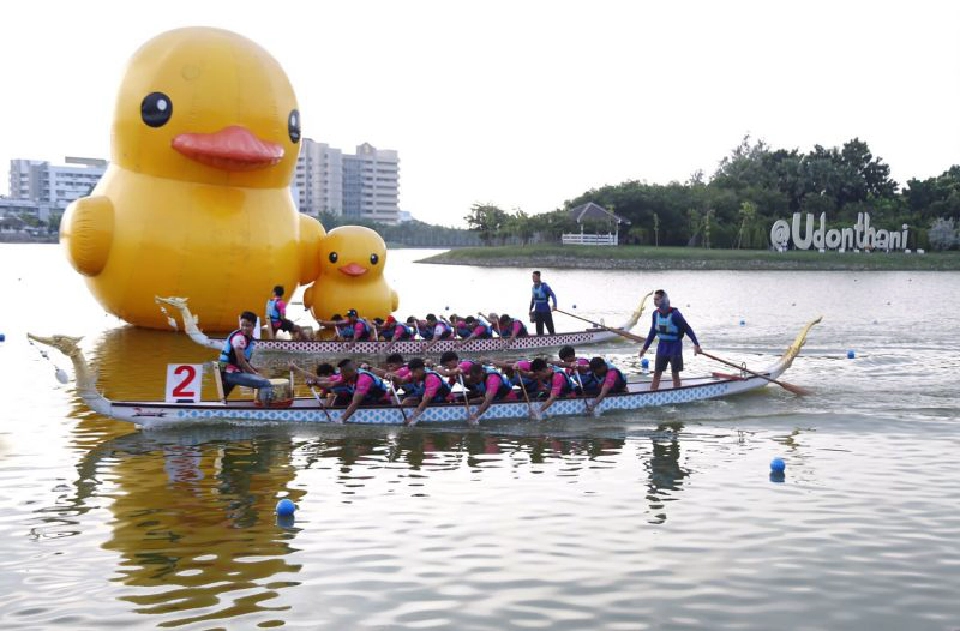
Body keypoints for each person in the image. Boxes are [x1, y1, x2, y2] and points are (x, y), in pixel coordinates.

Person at [639, 289, 702, 391]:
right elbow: (653, 332)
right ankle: (652, 392)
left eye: (657, 299)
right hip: (662, 347)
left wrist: (696, 344)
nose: (655, 301)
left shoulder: (675, 314)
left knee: (675, 374)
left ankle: (677, 393)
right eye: (654, 299)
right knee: (657, 373)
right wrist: (644, 348)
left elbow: (687, 328)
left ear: (664, 300)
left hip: (675, 347)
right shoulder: (655, 314)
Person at [218, 310, 274, 400]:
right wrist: (255, 373)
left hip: (231, 372)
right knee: (265, 383)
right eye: (243, 325)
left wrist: (255, 369)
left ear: (254, 326)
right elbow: (241, 362)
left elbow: (243, 361)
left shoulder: (247, 338)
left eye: (248, 325)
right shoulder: (239, 338)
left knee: (257, 378)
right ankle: (266, 409)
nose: (244, 328)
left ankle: (257, 403)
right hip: (230, 374)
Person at [336, 359, 391, 423]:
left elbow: (355, 403)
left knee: (356, 400)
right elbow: (328, 382)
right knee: (340, 397)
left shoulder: (363, 379)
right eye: (341, 372)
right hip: (366, 399)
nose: (341, 375)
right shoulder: (348, 376)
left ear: (351, 371)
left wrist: (342, 419)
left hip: (380, 402)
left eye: (343, 373)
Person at [403, 358, 453, 426]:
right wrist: (393, 377)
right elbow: (401, 381)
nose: (412, 374)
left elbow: (426, 400)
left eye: (414, 371)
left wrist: (413, 417)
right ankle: (403, 415)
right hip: (430, 398)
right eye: (411, 371)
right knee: (406, 401)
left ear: (422, 369)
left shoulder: (432, 378)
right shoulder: (414, 375)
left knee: (422, 399)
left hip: (444, 400)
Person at [528, 270, 558, 336]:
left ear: (538, 277)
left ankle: (553, 338)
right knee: (539, 331)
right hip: (537, 311)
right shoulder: (533, 287)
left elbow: (553, 295)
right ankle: (540, 341)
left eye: (534, 277)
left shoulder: (545, 286)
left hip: (546, 311)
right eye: (532, 277)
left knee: (550, 329)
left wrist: (555, 305)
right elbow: (533, 299)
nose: (533, 278)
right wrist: (530, 309)